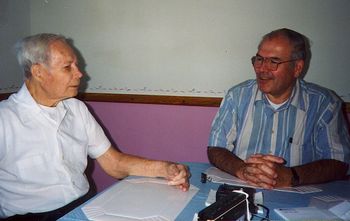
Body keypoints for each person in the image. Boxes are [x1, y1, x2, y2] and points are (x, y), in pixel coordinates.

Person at [0, 33, 190, 220]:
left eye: (76, 65)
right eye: (68, 67)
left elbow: (114, 164)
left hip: (85, 205)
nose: (80, 73)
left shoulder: (77, 109)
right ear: (38, 72)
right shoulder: (4, 119)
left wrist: (167, 169)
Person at [207, 28, 350, 190]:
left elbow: (339, 161)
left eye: (274, 62)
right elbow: (215, 148)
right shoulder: (237, 96)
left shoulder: (324, 103)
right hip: (243, 188)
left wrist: (292, 176)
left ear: (297, 68)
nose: (262, 69)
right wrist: (241, 169)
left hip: (297, 198)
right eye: (259, 59)